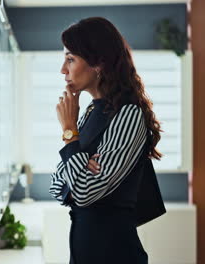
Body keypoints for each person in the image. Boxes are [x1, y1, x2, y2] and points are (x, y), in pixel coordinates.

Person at [48, 17, 164, 264]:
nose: (63, 69)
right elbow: (57, 186)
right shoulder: (91, 111)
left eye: (70, 59)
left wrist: (69, 131)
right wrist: (81, 162)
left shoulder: (128, 114)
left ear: (98, 63)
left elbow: (83, 192)